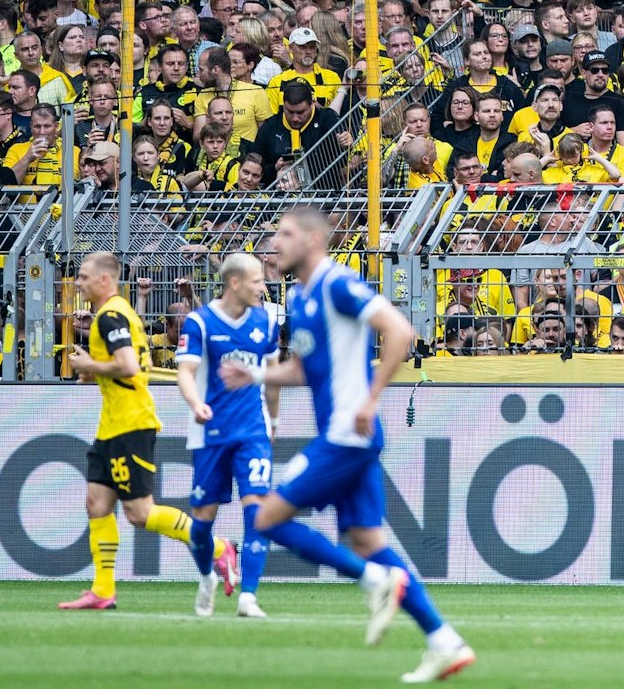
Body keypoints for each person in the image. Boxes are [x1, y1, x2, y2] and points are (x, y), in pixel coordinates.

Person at [220, 206, 474, 682]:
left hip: (347, 435)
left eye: (286, 234)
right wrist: (254, 375)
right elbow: (302, 369)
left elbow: (400, 331)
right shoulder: (300, 296)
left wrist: (372, 397)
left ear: (313, 241)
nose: (275, 243)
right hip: (345, 437)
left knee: (266, 518)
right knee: (368, 540)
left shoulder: (337, 283)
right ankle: (444, 642)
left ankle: (374, 580)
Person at [60, 251, 235, 610]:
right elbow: (133, 365)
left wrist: (89, 363)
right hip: (111, 424)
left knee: (139, 513)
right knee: (97, 504)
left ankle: (219, 548)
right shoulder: (118, 312)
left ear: (104, 280)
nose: (78, 283)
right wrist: (94, 371)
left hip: (131, 423)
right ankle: (103, 590)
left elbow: (127, 366)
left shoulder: (111, 315)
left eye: (84, 277)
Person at [176, 252, 281, 619]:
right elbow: (186, 372)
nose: (262, 287)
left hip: (253, 430)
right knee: (201, 523)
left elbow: (272, 375)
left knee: (258, 511)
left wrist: (274, 421)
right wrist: (196, 404)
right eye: (257, 281)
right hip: (211, 432)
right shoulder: (200, 322)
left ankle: (248, 596)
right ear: (234, 283)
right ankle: (208, 574)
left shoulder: (267, 321)